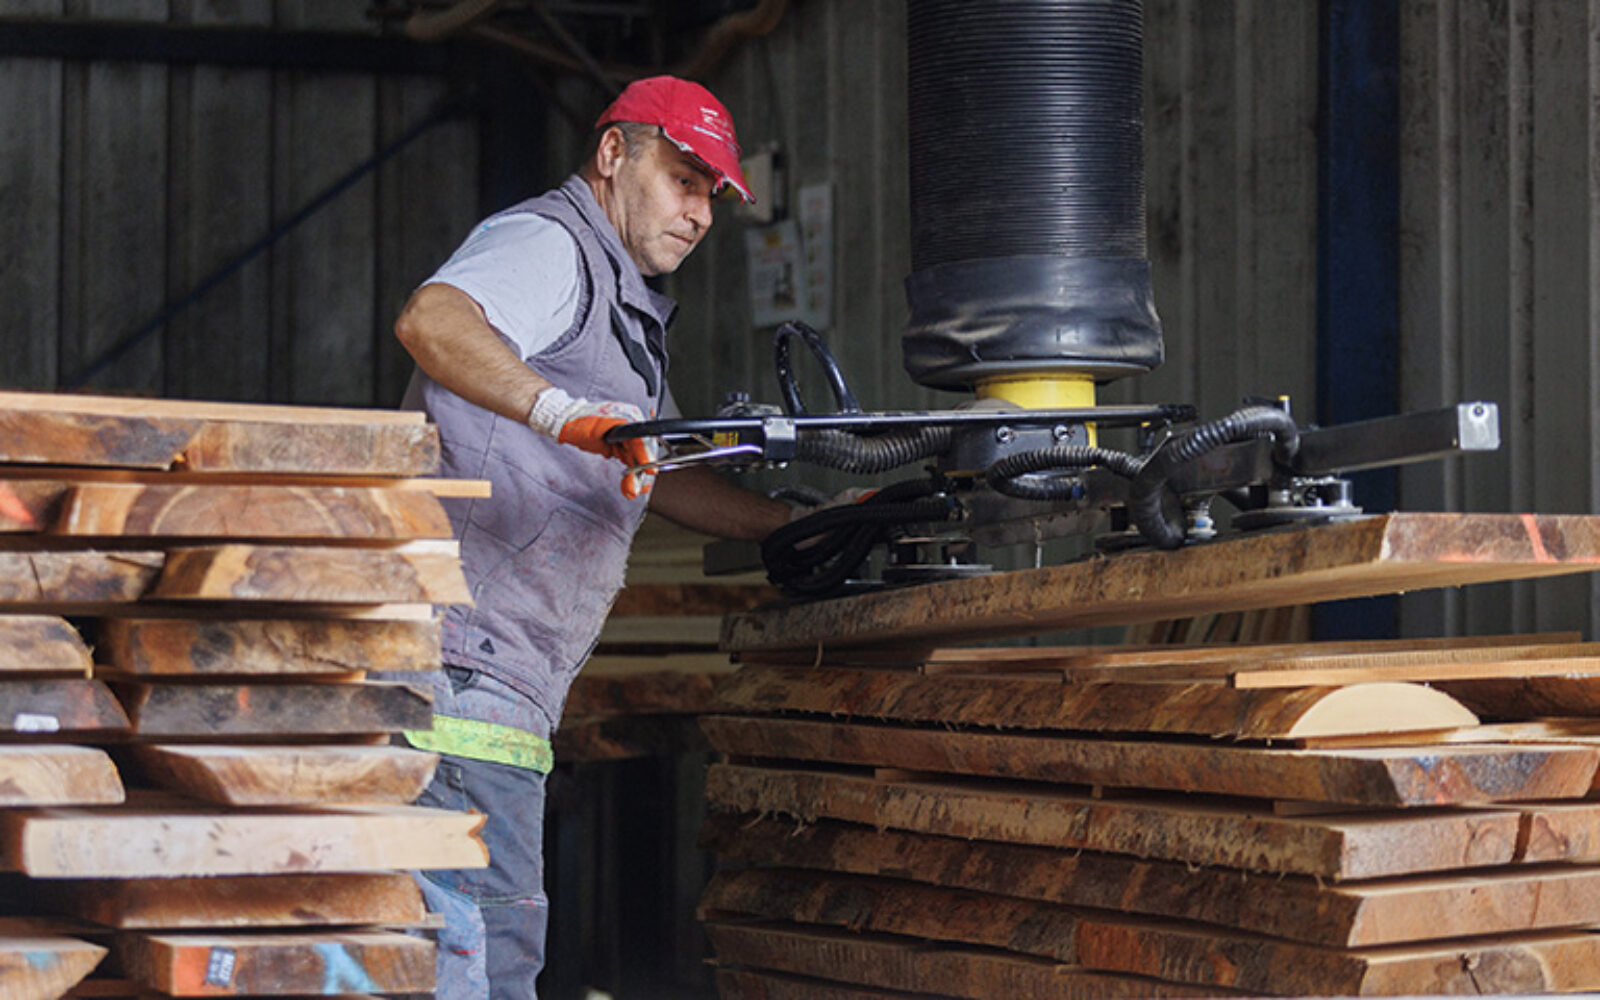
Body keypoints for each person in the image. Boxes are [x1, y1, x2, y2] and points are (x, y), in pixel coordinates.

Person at [392, 75, 793, 1000]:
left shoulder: (624, 307)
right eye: (682, 181)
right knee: (474, 969)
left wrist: (797, 527)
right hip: (455, 667)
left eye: (710, 195)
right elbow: (433, 320)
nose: (699, 214)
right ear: (614, 154)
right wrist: (561, 413)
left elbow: (663, 469)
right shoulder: (551, 246)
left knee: (483, 963)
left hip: (502, 683)